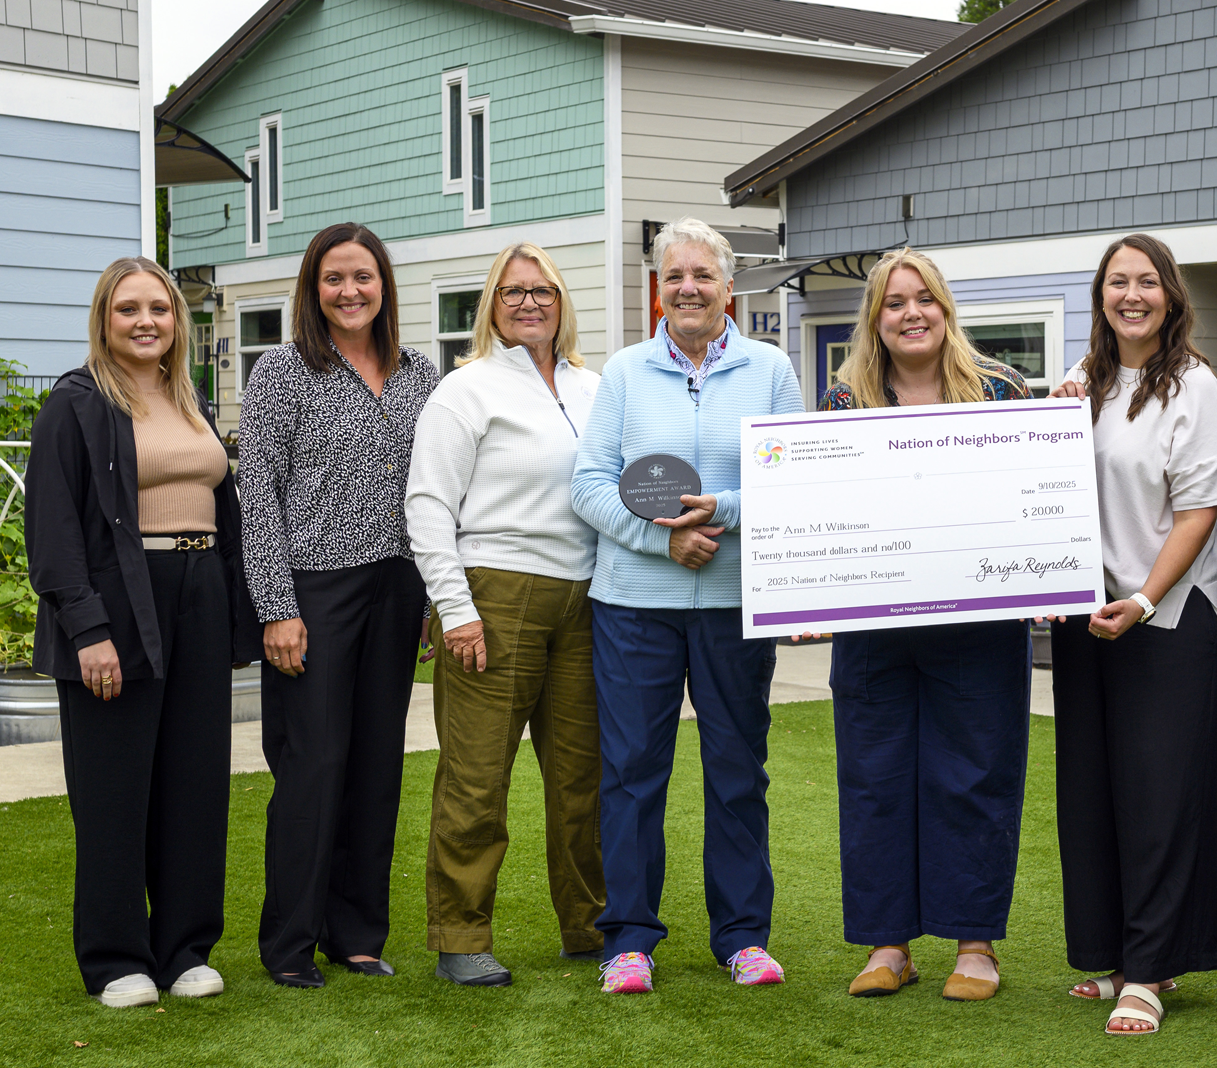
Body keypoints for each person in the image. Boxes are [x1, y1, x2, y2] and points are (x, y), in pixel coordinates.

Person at [572, 217, 802, 994]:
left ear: (728, 287)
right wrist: (658, 540)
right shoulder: (627, 373)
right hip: (635, 605)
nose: (689, 288)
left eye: (703, 275)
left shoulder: (770, 371)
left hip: (736, 602)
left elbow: (795, 476)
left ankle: (742, 938)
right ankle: (629, 940)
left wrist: (724, 512)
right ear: (658, 288)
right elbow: (589, 484)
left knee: (737, 768)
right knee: (634, 770)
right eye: (675, 276)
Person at [28, 257, 260, 1007]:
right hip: (118, 603)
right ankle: (116, 958)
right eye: (128, 309)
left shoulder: (190, 398)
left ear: (177, 319)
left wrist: (235, 614)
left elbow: (221, 509)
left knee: (194, 782)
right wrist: (88, 628)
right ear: (105, 318)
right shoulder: (77, 403)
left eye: (158, 308)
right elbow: (54, 529)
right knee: (114, 789)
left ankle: (184, 948)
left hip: (198, 595)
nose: (146, 321)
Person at [816, 248, 1032, 1002]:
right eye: (894, 302)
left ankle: (975, 946)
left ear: (945, 309)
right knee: (875, 780)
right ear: (874, 319)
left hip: (980, 626)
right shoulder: (844, 404)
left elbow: (1034, 500)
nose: (912, 314)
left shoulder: (1003, 391)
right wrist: (810, 595)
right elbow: (826, 518)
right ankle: (889, 945)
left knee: (975, 775)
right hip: (875, 629)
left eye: (925, 300)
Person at [238, 223, 438, 987]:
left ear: (384, 284)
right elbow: (256, 496)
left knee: (376, 764)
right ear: (312, 289)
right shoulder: (283, 372)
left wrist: (429, 596)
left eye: (362, 277)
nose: (349, 291)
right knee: (312, 764)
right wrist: (275, 607)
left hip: (398, 583)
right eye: (333, 279)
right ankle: (289, 943)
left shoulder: (420, 372)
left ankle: (356, 933)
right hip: (313, 588)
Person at [1046, 233, 1217, 1036]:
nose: (1131, 295)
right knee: (1094, 795)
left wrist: (1147, 599)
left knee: (1160, 797)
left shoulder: (1194, 386)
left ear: (1170, 296)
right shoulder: (1080, 382)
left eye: (1146, 282)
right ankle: (1118, 956)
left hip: (1167, 616)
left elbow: (1199, 511)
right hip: (1087, 617)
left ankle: (1152, 971)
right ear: (1100, 296)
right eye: (1117, 282)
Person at [405, 243, 605, 986]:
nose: (529, 302)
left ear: (562, 301)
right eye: (512, 291)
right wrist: (454, 609)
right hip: (493, 596)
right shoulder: (467, 390)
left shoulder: (596, 388)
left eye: (542, 289)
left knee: (584, 777)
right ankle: (460, 935)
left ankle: (591, 925)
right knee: (477, 776)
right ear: (492, 305)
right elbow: (427, 505)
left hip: (587, 599)